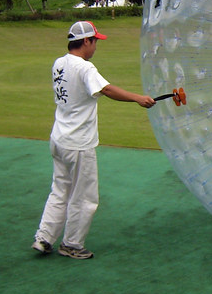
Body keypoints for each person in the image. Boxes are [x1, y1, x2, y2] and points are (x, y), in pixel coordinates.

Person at [32, 20, 155, 259]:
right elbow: (106, 89)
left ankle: (44, 237)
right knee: (84, 197)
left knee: (60, 190)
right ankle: (71, 244)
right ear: (86, 41)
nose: (96, 46)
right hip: (78, 143)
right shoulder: (85, 68)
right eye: (95, 41)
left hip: (59, 138)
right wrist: (138, 98)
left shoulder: (59, 63)